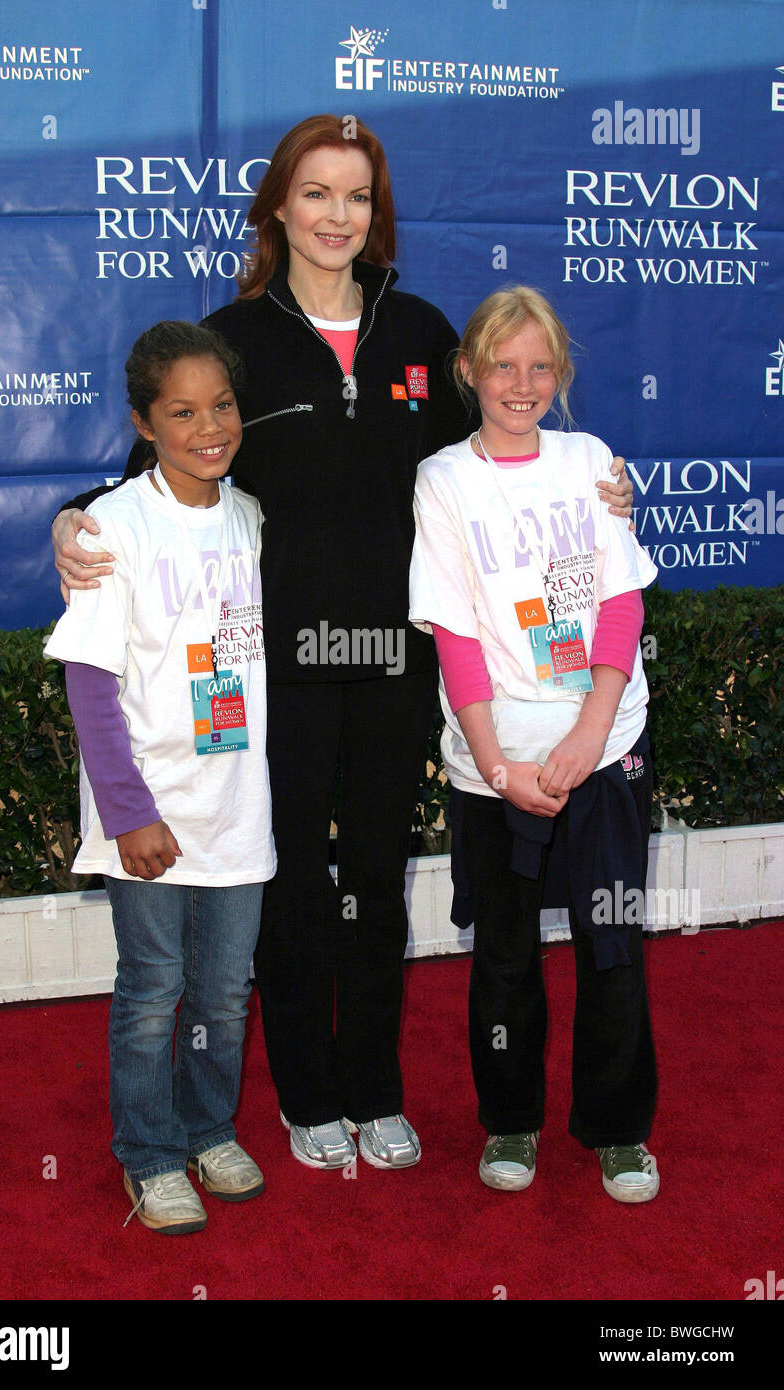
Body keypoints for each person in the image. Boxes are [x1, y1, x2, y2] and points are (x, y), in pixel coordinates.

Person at [52, 116, 634, 1173]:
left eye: (356, 197)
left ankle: (372, 1084)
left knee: (372, 874)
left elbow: (508, 433)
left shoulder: (417, 330)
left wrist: (603, 487)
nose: (335, 215)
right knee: (288, 885)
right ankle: (305, 1097)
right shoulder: (235, 336)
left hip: (393, 666)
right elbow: (162, 466)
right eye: (315, 194)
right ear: (279, 206)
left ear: (376, 214)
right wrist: (72, 516)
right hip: (277, 674)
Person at [409, 286, 660, 1203]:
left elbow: (620, 599)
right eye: (504, 365)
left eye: (541, 366)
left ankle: (619, 1131)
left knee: (614, 945)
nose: (523, 384)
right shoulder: (441, 480)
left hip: (606, 748)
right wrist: (498, 766)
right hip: (496, 765)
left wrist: (592, 730)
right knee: (505, 958)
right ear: (468, 370)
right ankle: (510, 1123)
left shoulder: (591, 460)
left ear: (561, 375)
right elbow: (457, 636)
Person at [45, 321, 275, 1232]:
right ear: (144, 422)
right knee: (153, 990)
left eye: (221, 405)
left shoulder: (254, 517)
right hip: (144, 815)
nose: (208, 426)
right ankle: (148, 1152)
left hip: (236, 809)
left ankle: (208, 1129)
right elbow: (90, 683)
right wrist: (130, 812)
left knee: (224, 991)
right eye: (182, 411)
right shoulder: (113, 528)